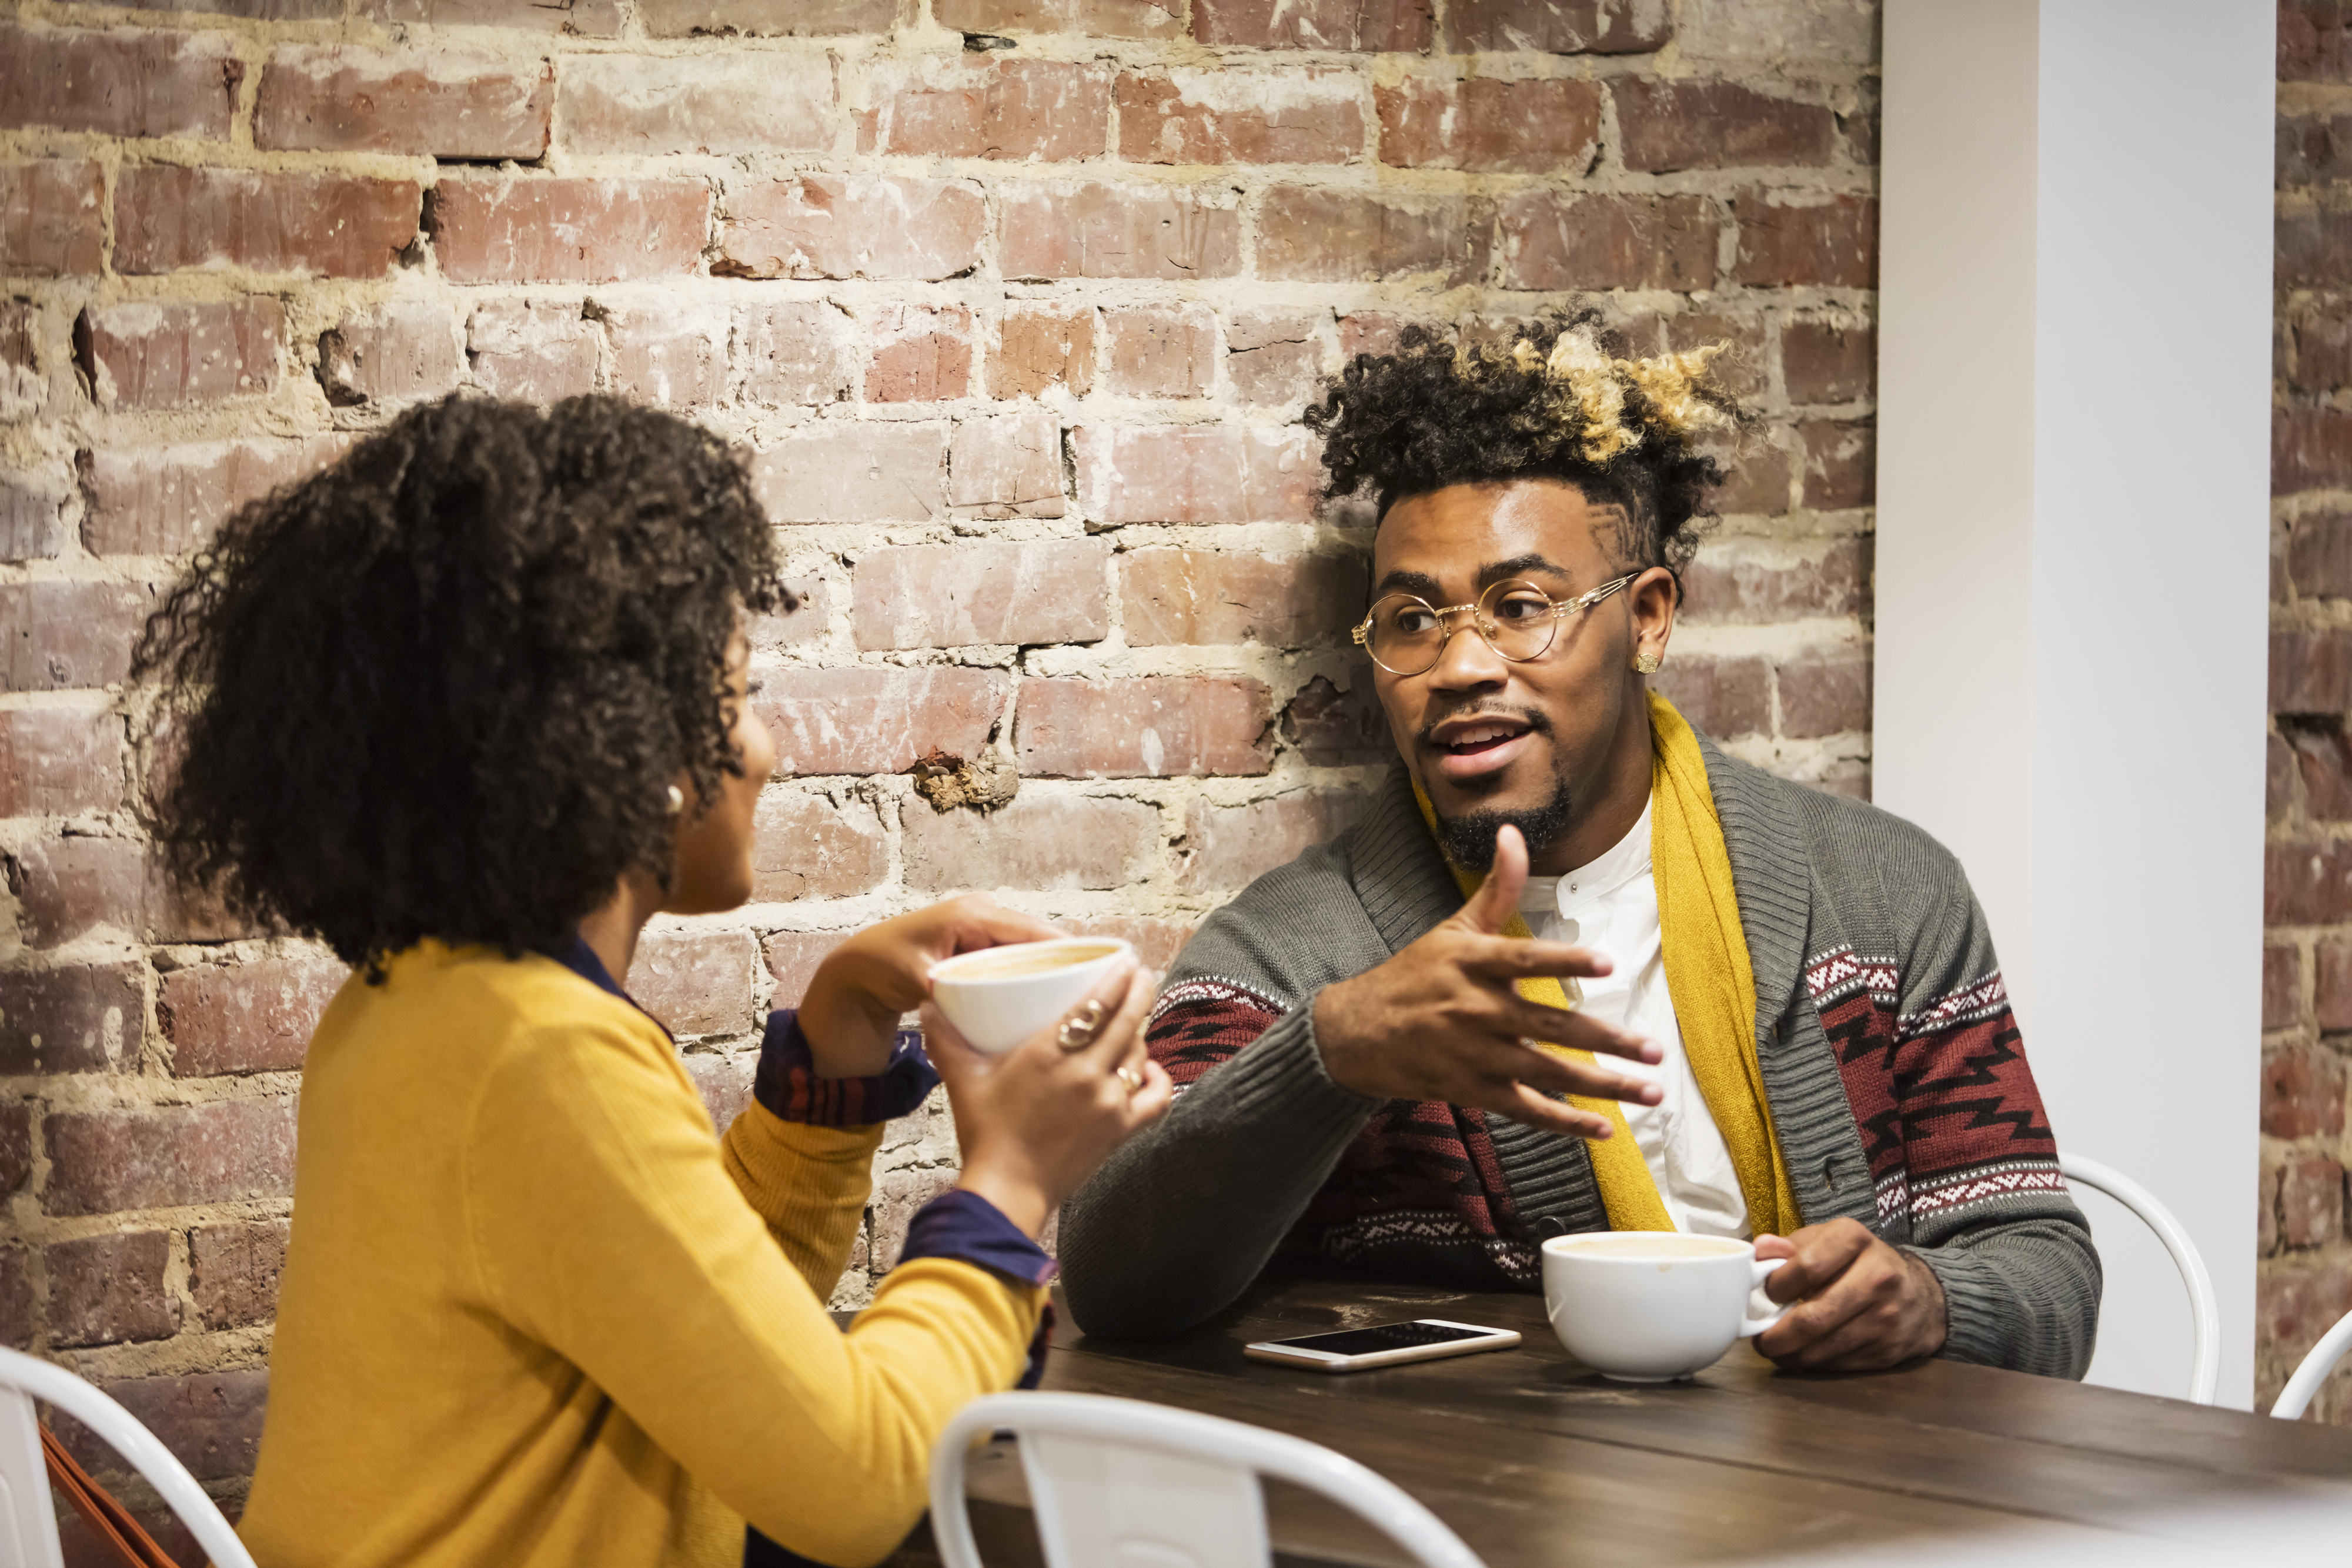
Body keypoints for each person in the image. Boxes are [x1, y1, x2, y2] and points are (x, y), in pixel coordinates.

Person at [133, 394, 1172, 1568]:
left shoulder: (415, 1001)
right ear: (644, 753)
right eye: (739, 692)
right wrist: (1013, 1181)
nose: (768, 748)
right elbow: (863, 1481)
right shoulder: (543, 1056)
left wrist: (832, 1047)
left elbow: (701, 1339)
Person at [1058, 313, 2099, 1379]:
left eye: (1520, 606)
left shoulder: (1881, 895)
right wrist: (1330, 1055)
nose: (1460, 664)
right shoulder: (1297, 954)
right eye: (1412, 620)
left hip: (1849, 1509)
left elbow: (2047, 1275)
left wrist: (1932, 1297)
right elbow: (1110, 1281)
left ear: (1647, 618)